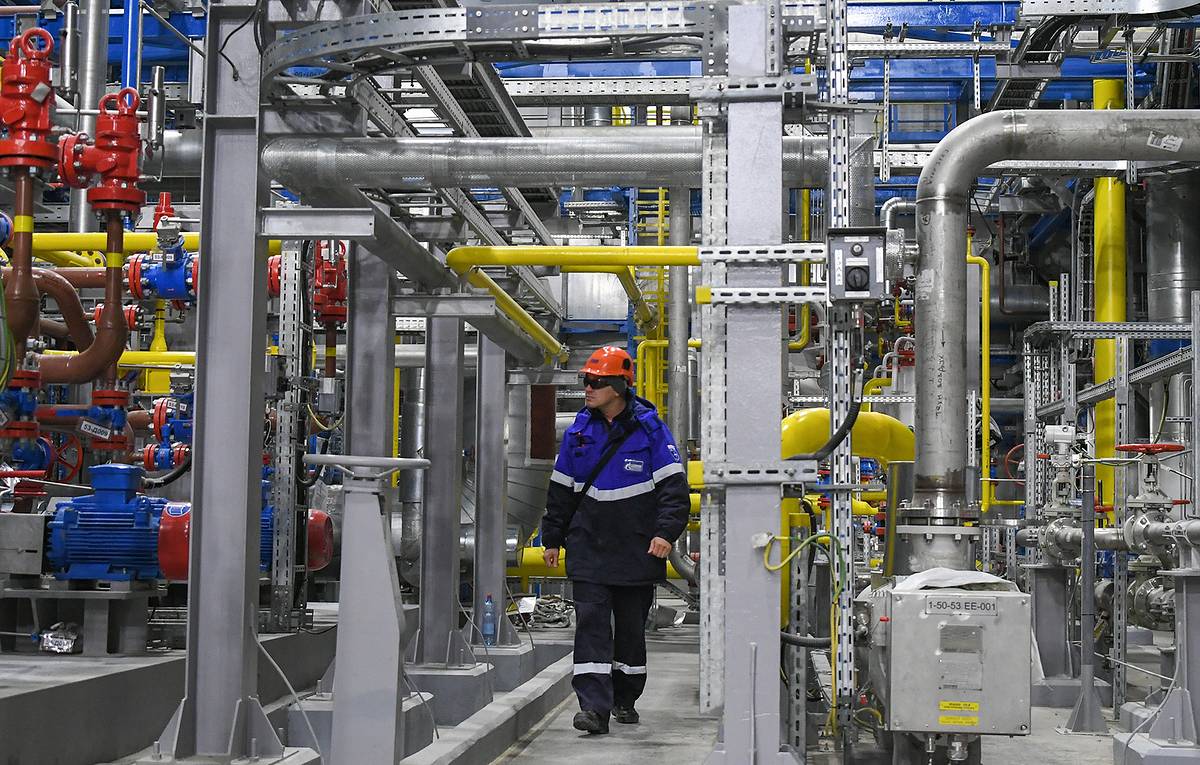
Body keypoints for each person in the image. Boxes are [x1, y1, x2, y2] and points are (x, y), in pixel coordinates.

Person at [539, 345, 690, 735]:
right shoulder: (578, 433)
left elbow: (674, 492)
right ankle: (593, 708)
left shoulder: (651, 431)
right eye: (586, 381)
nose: (588, 388)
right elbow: (561, 490)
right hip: (588, 548)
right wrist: (552, 537)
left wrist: (665, 534)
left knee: (630, 632)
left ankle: (625, 698)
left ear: (620, 387)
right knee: (590, 625)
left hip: (636, 550)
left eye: (596, 382)